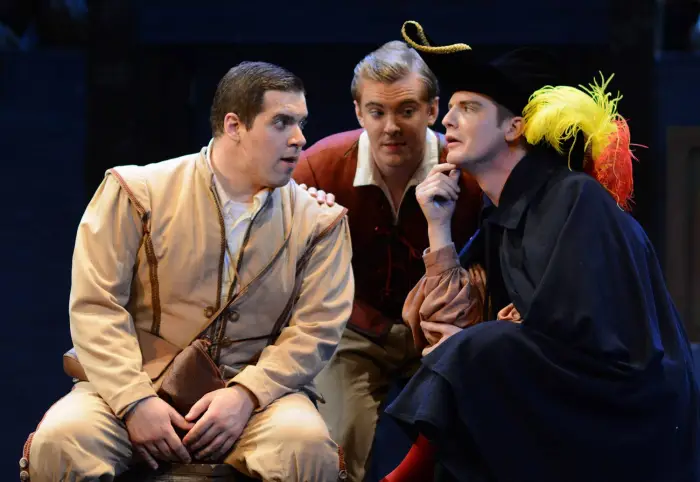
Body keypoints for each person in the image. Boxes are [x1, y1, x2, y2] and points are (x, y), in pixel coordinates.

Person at [380, 21, 700, 482]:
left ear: (516, 127)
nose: (447, 121)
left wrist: (508, 329)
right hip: (559, 388)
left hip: (621, 402)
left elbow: (593, 330)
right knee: (479, 353)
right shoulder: (503, 216)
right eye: (449, 109)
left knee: (484, 353)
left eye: (468, 108)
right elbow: (439, 322)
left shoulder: (573, 198)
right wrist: (438, 227)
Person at [22, 61, 355, 482]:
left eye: (301, 122)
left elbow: (317, 328)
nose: (299, 138)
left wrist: (248, 395)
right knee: (64, 438)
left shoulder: (318, 221)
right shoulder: (136, 193)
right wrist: (134, 401)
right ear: (234, 125)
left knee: (303, 447)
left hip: (257, 395)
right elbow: (96, 306)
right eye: (281, 122)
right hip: (132, 378)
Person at [292, 40, 482, 481]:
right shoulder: (320, 167)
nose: (392, 126)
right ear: (359, 113)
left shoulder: (468, 173)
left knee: (472, 429)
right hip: (353, 330)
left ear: (433, 110)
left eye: (407, 111)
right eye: (377, 112)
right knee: (334, 435)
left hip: (442, 330)